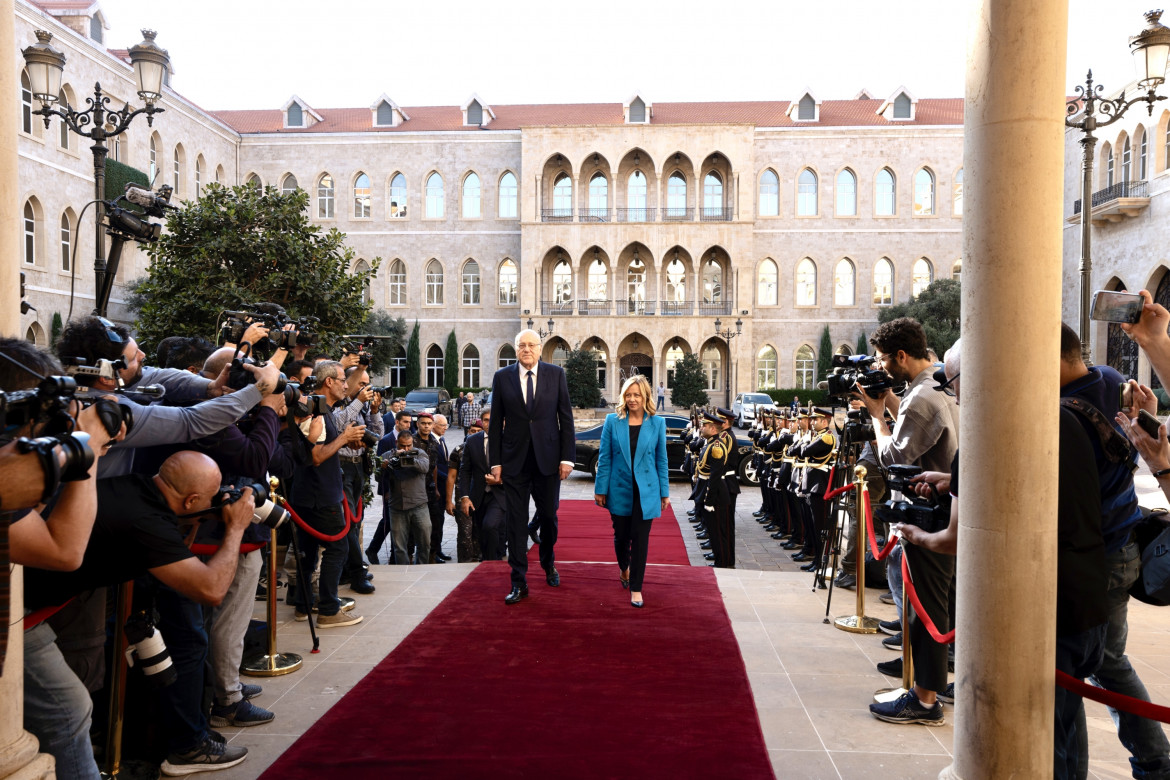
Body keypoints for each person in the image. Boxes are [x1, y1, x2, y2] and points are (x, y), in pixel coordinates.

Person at [858, 317, 958, 720]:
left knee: (927, 609)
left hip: (929, 512)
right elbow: (916, 427)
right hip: (948, 504)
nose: (881, 368)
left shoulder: (920, 398)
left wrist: (876, 414)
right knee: (943, 606)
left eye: (883, 360)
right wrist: (889, 407)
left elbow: (894, 455)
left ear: (901, 355)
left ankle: (925, 698)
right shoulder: (937, 385)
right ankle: (936, 683)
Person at [487, 328, 575, 604]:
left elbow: (566, 418)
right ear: (515, 350)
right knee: (515, 522)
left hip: (548, 460)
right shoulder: (502, 378)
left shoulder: (555, 374)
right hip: (515, 463)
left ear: (540, 349)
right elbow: (495, 422)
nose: (527, 349)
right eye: (522, 345)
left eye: (531, 345)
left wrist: (567, 458)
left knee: (548, 517)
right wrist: (496, 462)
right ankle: (519, 582)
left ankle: (548, 562)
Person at [594, 375, 670, 608]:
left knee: (640, 540)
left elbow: (661, 459)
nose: (632, 399)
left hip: (646, 490)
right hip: (619, 488)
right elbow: (604, 457)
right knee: (621, 537)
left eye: (637, 394)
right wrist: (600, 488)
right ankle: (624, 568)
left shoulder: (657, 423)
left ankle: (636, 588)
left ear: (646, 396)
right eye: (628, 395)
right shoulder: (612, 421)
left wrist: (664, 492)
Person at [459, 408, 507, 560]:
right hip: (478, 495)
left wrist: (501, 479)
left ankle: (492, 560)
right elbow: (465, 470)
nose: (490, 423)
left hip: (501, 493)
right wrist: (465, 497)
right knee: (482, 531)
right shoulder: (472, 441)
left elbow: (518, 469)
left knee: (490, 525)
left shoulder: (510, 440)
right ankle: (492, 558)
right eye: (486, 420)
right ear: (482, 422)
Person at [385, 430, 432, 564]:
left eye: (409, 446)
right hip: (397, 506)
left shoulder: (420, 453)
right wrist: (386, 465)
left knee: (425, 543)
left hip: (419, 504)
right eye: (402, 446)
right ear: (396, 443)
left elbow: (425, 467)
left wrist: (408, 458)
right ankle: (403, 573)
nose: (406, 449)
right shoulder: (388, 455)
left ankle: (422, 568)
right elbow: (378, 477)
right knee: (399, 546)